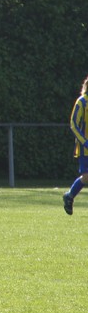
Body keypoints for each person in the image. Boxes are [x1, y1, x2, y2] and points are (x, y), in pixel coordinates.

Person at [63, 75, 88, 214]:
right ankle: (69, 196)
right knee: (86, 176)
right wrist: (84, 142)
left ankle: (69, 196)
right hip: (85, 148)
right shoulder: (82, 102)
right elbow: (73, 124)